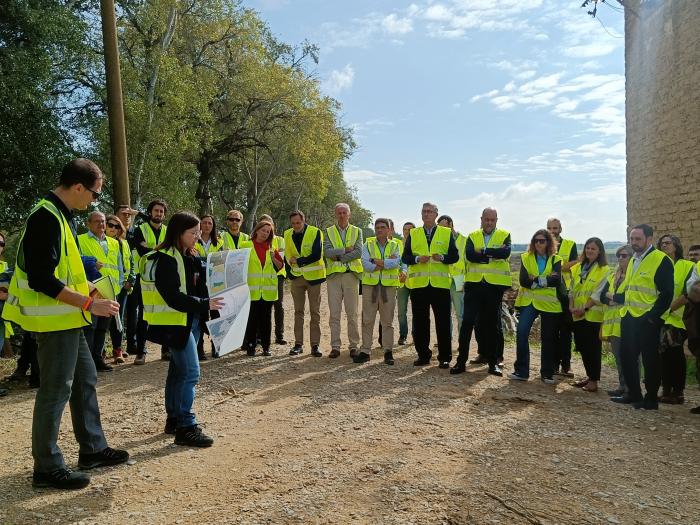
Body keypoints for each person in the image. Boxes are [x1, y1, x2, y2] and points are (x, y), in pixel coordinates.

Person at [1, 158, 127, 489]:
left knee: (85, 381)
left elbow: (64, 272)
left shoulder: (60, 215)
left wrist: (90, 289)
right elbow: (42, 279)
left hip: (70, 320)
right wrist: (89, 303)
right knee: (55, 392)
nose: (95, 202)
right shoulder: (45, 216)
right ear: (77, 187)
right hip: (54, 323)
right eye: (95, 194)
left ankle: (93, 449)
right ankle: (46, 467)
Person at [140, 211, 223, 446]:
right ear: (178, 232)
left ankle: (174, 418)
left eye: (199, 232)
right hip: (175, 324)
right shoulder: (165, 259)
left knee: (177, 372)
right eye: (193, 232)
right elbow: (173, 297)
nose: (198, 236)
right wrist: (204, 304)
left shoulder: (190, 256)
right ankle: (186, 426)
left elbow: (200, 284)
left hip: (191, 321)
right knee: (190, 373)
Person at [611, 224, 674, 410]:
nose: (634, 243)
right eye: (632, 239)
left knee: (650, 360)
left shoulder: (661, 260)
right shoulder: (633, 260)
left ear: (649, 239)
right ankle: (634, 394)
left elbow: (667, 294)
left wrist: (653, 318)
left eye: (638, 239)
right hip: (629, 316)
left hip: (648, 319)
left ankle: (651, 398)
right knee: (627, 357)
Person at [450, 207, 512, 377]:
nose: (489, 223)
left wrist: (483, 252)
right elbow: (470, 255)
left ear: (496, 220)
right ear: (481, 219)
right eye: (486, 219)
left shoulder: (505, 235)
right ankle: (460, 362)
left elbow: (505, 252)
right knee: (468, 323)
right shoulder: (473, 236)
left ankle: (493, 364)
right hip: (474, 285)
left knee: (491, 325)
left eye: (492, 220)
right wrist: (492, 254)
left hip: (494, 287)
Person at [401, 202, 459, 368]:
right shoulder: (414, 233)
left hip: (440, 285)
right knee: (420, 322)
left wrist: (442, 258)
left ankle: (445, 357)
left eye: (429, 211)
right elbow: (406, 257)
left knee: (442, 322)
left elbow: (454, 257)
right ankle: (423, 355)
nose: (426, 214)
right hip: (419, 285)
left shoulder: (446, 233)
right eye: (424, 211)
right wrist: (418, 259)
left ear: (436, 214)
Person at [508, 230, 562, 384]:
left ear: (548, 242)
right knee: (522, 332)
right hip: (529, 302)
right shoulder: (526, 257)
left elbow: (556, 281)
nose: (539, 243)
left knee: (548, 338)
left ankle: (547, 373)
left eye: (542, 240)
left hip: (549, 304)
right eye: (536, 240)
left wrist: (536, 280)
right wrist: (545, 280)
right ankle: (522, 371)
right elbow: (524, 281)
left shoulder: (556, 259)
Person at [78, 211, 122, 372]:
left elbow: (119, 266)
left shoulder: (114, 242)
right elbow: (76, 261)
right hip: (91, 290)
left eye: (103, 221)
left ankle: (98, 359)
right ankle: (88, 363)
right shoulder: (80, 239)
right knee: (91, 327)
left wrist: (120, 285)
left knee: (103, 328)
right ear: (88, 223)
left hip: (110, 290)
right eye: (96, 222)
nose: (101, 225)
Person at [355, 218, 402, 365]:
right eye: (377, 228)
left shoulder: (396, 245)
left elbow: (397, 262)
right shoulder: (367, 244)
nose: (379, 230)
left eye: (382, 227)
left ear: (389, 230)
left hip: (388, 287)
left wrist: (376, 261)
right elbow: (365, 264)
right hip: (370, 287)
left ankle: (388, 351)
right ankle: (365, 351)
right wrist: (384, 263)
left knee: (387, 321)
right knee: (367, 320)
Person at [128, 199, 168, 365]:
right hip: (143, 277)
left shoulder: (168, 230)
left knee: (166, 313)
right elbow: (141, 249)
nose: (158, 214)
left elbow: (171, 249)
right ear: (150, 212)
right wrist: (161, 248)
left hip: (164, 276)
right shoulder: (140, 229)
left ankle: (166, 350)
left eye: (161, 211)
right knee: (143, 314)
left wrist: (152, 248)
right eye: (156, 211)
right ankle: (141, 351)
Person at [657, 235, 695, 404]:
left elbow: (689, 293)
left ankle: (678, 392)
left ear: (676, 246)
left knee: (675, 354)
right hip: (661, 318)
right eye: (662, 244)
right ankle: (666, 389)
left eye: (668, 243)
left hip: (678, 318)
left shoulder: (687, 266)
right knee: (663, 355)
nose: (664, 246)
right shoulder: (659, 266)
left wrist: (670, 308)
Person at [569, 237, 610, 393]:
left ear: (599, 251)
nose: (590, 251)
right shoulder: (578, 267)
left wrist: (584, 308)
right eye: (588, 248)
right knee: (583, 347)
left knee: (592, 348)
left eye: (593, 248)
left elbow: (598, 293)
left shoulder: (604, 270)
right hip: (577, 314)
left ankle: (594, 381)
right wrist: (571, 305)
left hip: (592, 314)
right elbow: (572, 288)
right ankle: (589, 376)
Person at [324, 203, 363, 359]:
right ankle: (335, 346)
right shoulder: (328, 231)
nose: (341, 215)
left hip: (351, 276)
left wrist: (338, 256)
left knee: (352, 313)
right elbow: (327, 252)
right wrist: (346, 250)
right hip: (334, 277)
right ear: (335, 214)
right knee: (334, 313)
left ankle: (354, 346)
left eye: (344, 212)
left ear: (349, 214)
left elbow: (359, 252)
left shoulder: (357, 231)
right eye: (339, 213)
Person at [284, 210, 325, 357]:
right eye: (293, 223)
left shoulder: (315, 232)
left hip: (314, 278)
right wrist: (289, 273)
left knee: (315, 312)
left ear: (304, 220)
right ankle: (298, 344)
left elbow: (316, 254)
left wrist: (299, 261)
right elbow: (287, 255)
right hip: (297, 278)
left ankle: (315, 345)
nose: (296, 225)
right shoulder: (287, 234)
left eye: (298, 222)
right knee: (298, 312)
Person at [240, 220, 284, 357]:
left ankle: (266, 347)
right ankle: (251, 346)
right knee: (252, 320)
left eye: (268, 232)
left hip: (268, 292)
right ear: (257, 230)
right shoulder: (245, 246)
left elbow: (280, 266)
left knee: (266, 320)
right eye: (263, 230)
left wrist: (274, 258)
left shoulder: (271, 248)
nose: (265, 233)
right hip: (251, 291)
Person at [600, 245, 634, 397]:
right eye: (619, 255)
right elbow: (602, 296)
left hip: (627, 322)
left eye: (624, 255)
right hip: (613, 324)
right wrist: (613, 299)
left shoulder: (633, 276)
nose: (620, 258)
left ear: (632, 257)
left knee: (629, 358)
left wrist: (611, 297)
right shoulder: (613, 276)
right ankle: (622, 386)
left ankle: (631, 389)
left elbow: (627, 297)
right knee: (618, 358)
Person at [547, 218, 578, 377]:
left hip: (566, 295)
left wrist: (556, 267)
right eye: (550, 228)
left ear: (561, 229)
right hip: (550, 295)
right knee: (552, 332)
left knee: (566, 332)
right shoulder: (543, 244)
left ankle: (566, 365)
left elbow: (575, 264)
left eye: (555, 228)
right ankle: (553, 365)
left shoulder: (570, 244)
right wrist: (562, 266)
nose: (553, 231)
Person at [105, 214, 134, 364]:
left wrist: (131, 280)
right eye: (110, 225)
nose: (113, 228)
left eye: (117, 226)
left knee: (118, 319)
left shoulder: (124, 243)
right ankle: (101, 351)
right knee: (103, 320)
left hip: (122, 288)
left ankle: (118, 350)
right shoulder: (101, 242)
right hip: (103, 287)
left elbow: (131, 263)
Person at [195, 214, 224, 360]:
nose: (207, 226)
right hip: (198, 284)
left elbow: (220, 261)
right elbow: (191, 260)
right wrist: (206, 261)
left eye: (209, 224)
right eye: (204, 223)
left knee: (216, 316)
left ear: (213, 227)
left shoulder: (218, 242)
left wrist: (200, 260)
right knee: (201, 316)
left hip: (215, 284)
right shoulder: (194, 240)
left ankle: (216, 346)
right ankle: (199, 349)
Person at [437, 215, 467, 339]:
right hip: (444, 279)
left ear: (451, 225)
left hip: (460, 280)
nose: (441, 230)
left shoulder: (464, 240)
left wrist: (467, 281)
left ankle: (462, 340)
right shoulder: (440, 241)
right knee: (444, 313)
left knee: (460, 313)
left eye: (443, 226)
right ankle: (446, 340)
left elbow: (468, 263)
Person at [259, 214, 287, 345]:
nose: (267, 229)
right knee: (263, 307)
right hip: (262, 277)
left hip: (277, 275)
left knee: (278, 305)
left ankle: (279, 335)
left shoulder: (280, 240)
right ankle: (261, 336)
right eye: (263, 225)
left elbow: (280, 259)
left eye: (269, 225)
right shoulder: (255, 240)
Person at [397, 222, 414, 345]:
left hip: (414, 282)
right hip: (401, 282)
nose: (407, 232)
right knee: (401, 312)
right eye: (405, 229)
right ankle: (403, 335)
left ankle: (416, 335)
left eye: (410, 229)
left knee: (416, 311)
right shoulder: (397, 245)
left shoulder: (418, 244)